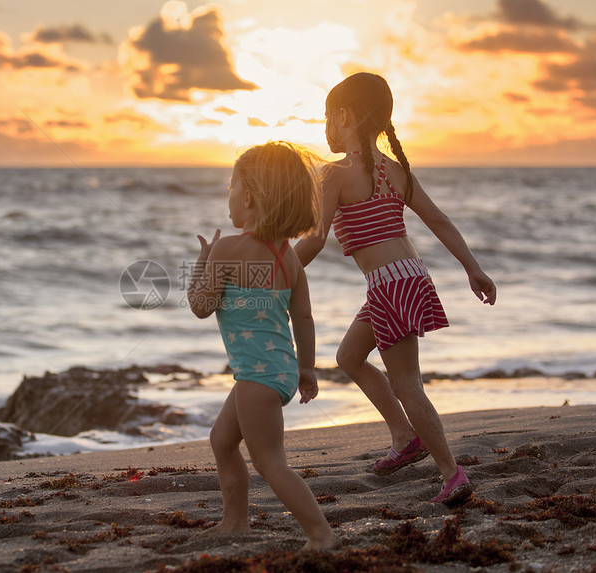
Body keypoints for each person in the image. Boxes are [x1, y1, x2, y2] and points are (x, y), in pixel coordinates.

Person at [295, 72, 497, 506]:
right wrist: (472, 268)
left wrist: (277, 270)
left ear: (344, 115)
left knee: (407, 384)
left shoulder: (335, 175)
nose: (324, 127)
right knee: (349, 357)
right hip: (409, 277)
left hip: (390, 285)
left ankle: (451, 472)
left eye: (327, 117)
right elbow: (439, 221)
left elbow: (313, 239)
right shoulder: (396, 171)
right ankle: (405, 437)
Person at [187, 141, 338, 550]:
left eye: (231, 188)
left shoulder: (227, 250)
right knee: (222, 439)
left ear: (249, 196)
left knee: (271, 462)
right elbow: (303, 319)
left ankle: (321, 534)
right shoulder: (289, 259)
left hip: (258, 377)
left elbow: (201, 307)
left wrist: (201, 266)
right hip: (278, 371)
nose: (229, 198)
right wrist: (307, 370)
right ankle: (235, 522)